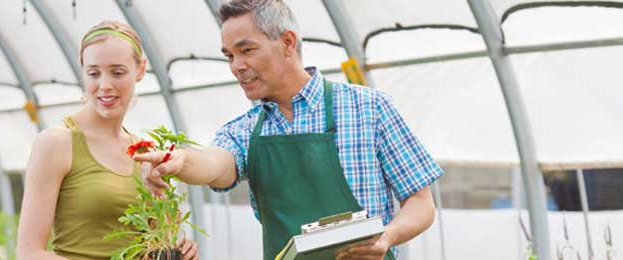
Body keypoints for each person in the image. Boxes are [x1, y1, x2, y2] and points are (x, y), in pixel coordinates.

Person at [134, 0, 443, 259]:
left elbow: (420, 202)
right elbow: (216, 164)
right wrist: (181, 161)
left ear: (287, 43)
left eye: (247, 50)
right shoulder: (246, 130)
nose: (236, 66)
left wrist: (388, 236)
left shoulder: (368, 108)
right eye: (229, 55)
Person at [16, 21, 198, 260]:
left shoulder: (145, 151)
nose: (104, 86)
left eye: (118, 72)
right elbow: (29, 254)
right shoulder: (56, 143)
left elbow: (153, 241)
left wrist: (178, 249)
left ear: (140, 69)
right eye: (93, 73)